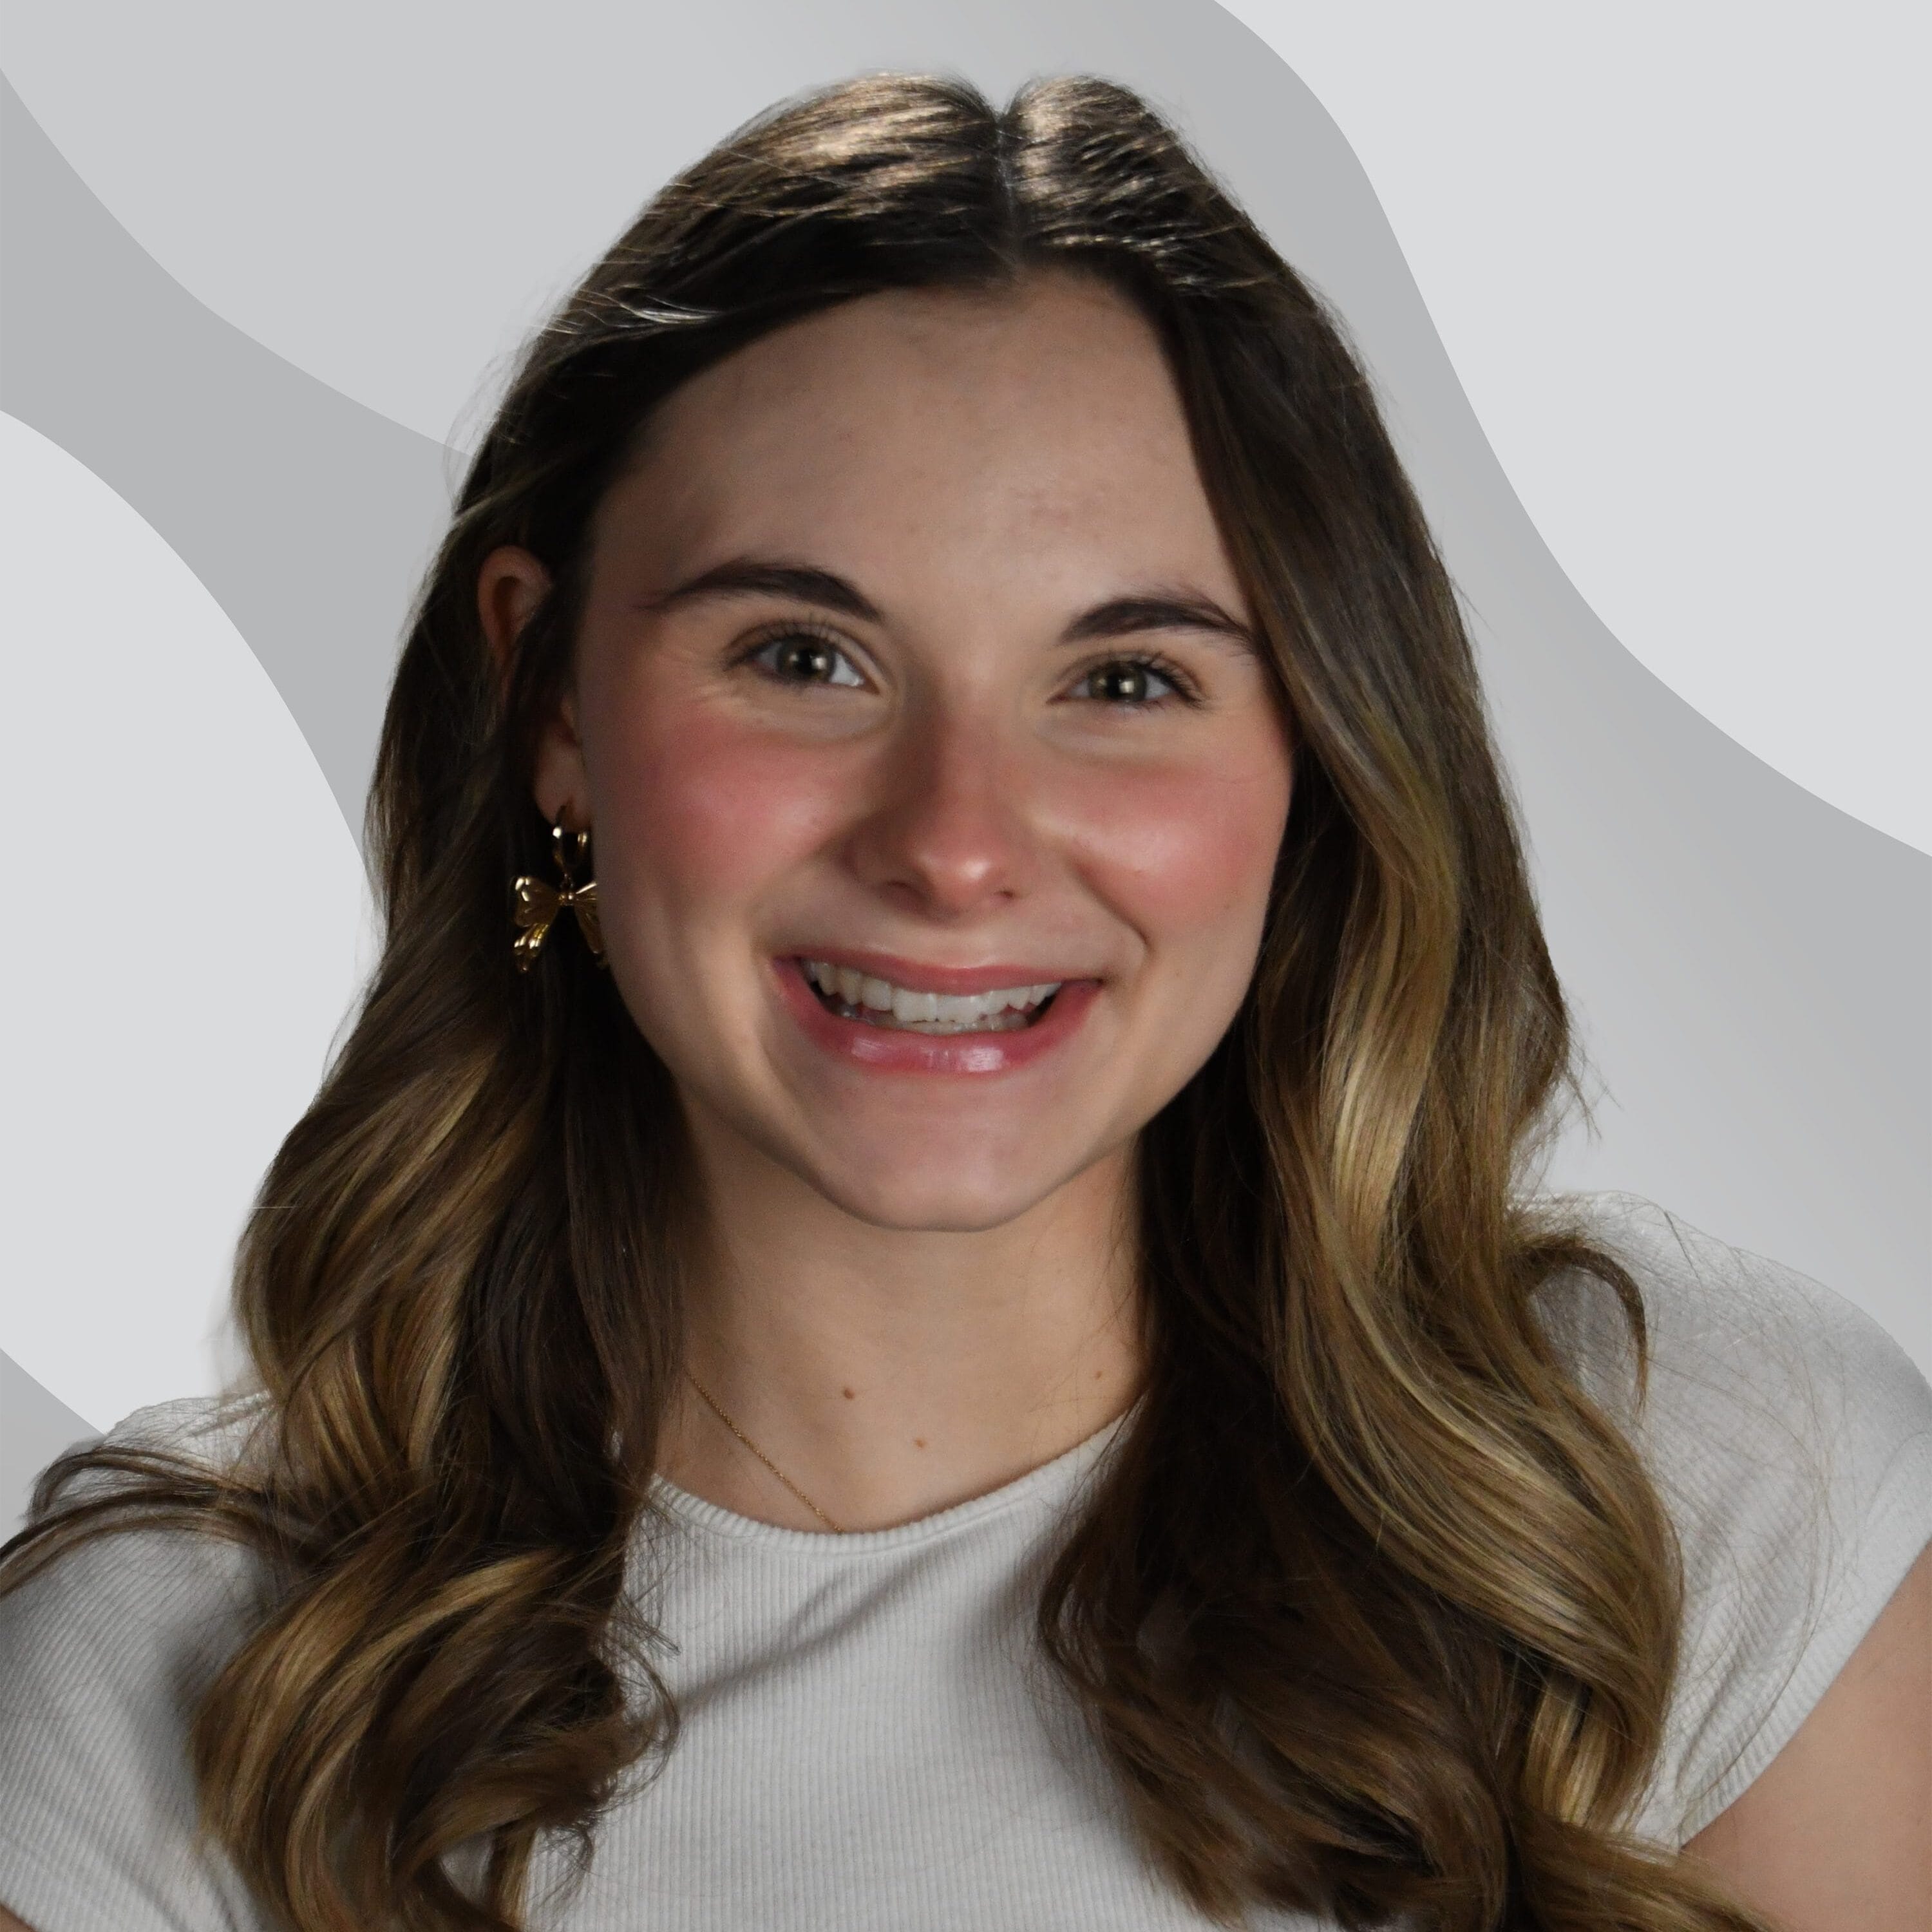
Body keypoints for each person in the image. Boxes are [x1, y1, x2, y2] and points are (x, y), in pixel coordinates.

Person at [0, 71, 1926, 1932]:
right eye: (805, 653)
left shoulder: (1712, 1500)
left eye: (1129, 680)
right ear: (553, 702)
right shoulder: (160, 1703)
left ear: (1325, 751)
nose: (958, 844)